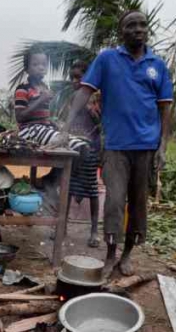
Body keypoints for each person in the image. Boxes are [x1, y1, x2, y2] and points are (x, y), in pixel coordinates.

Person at [64, 10, 172, 278]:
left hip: (146, 147)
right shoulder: (107, 59)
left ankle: (127, 255)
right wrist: (64, 127)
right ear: (121, 32)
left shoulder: (157, 65)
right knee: (113, 202)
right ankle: (111, 253)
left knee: (138, 204)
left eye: (142, 25)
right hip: (115, 147)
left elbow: (165, 109)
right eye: (130, 25)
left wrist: (163, 147)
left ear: (147, 30)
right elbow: (84, 91)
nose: (137, 29)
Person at [67, 61, 102, 248]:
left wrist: (89, 109)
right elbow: (69, 120)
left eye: (78, 77)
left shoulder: (95, 97)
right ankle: (61, 227)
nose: (74, 81)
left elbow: (100, 121)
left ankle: (94, 231)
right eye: (72, 77)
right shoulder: (73, 97)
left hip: (91, 148)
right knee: (67, 187)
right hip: (74, 147)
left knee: (91, 190)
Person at [15, 46, 64, 147]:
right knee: (62, 141)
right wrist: (41, 100)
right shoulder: (23, 88)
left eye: (44, 64)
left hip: (43, 128)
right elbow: (19, 117)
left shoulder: (45, 87)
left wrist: (52, 123)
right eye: (35, 64)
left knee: (69, 138)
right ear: (27, 69)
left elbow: (42, 116)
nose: (41, 67)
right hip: (28, 130)